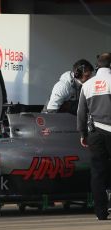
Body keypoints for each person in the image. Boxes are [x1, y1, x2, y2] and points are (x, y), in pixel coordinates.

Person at [77, 52, 111, 220]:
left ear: (97, 66)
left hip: (96, 134)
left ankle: (101, 213)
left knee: (98, 173)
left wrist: (83, 134)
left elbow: (81, 113)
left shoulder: (88, 85)